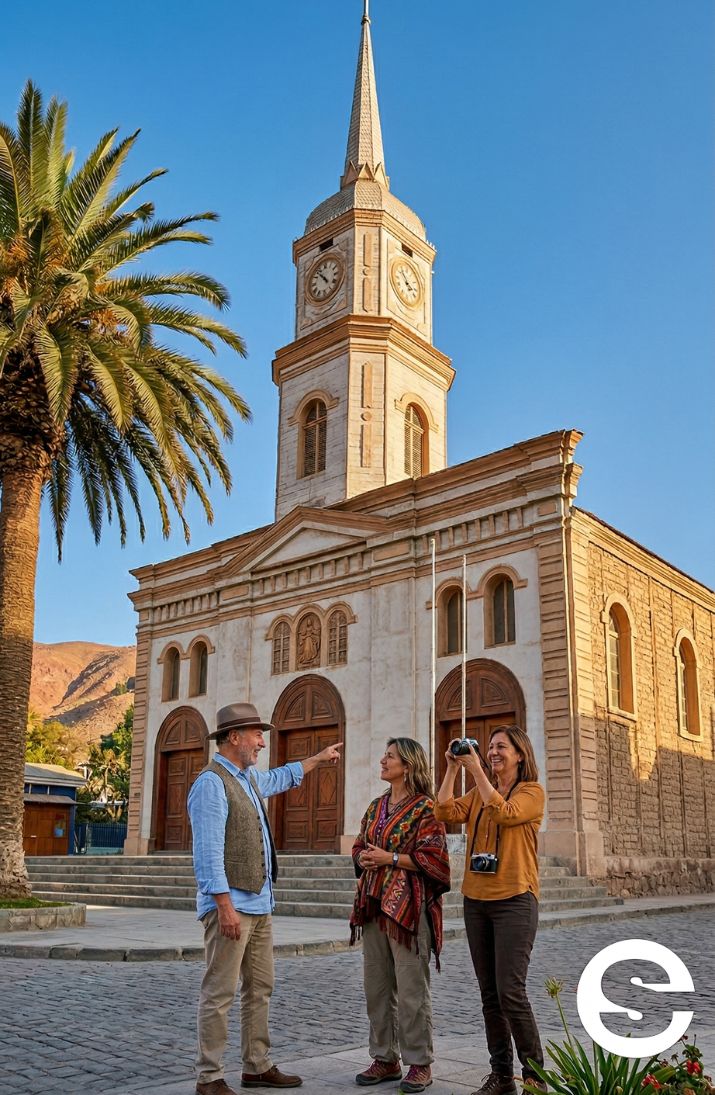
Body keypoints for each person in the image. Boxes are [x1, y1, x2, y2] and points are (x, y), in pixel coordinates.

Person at [188, 702, 343, 1095]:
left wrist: (318, 759)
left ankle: (256, 1066)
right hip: (231, 908)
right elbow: (208, 852)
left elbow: (280, 777)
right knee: (220, 992)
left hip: (259, 905)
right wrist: (224, 905)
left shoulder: (248, 779)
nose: (262, 742)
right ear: (234, 737)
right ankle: (209, 1077)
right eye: (257, 735)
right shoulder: (211, 783)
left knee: (260, 988)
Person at [434, 726, 546, 1095]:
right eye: (490, 747)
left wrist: (478, 771)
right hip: (477, 901)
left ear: (520, 754)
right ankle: (501, 1076)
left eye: (501, 747)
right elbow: (443, 810)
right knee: (490, 996)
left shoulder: (532, 792)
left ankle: (535, 1078)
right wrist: (453, 768)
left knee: (510, 991)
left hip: (515, 899)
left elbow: (505, 814)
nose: (493, 752)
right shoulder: (478, 792)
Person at [350, 738, 450, 1095]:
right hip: (373, 905)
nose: (383, 760)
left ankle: (419, 1062)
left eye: (389, 756)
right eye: (384, 755)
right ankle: (385, 1058)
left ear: (407, 765)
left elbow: (435, 859)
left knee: (411, 991)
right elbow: (359, 844)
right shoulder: (376, 806)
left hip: (408, 912)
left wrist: (389, 858)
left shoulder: (426, 809)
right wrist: (363, 857)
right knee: (376, 988)